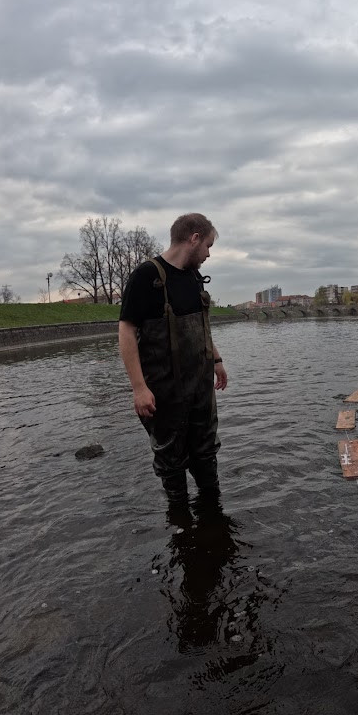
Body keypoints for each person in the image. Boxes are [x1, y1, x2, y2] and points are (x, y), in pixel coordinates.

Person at [119, 213, 227, 504]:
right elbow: (126, 331)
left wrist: (216, 361)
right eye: (207, 245)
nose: (207, 254)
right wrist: (139, 388)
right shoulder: (146, 276)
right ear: (193, 239)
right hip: (164, 394)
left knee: (206, 457)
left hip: (200, 391)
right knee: (172, 464)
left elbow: (202, 327)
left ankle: (212, 518)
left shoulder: (193, 278)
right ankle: (180, 523)